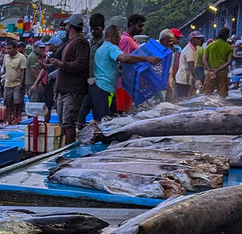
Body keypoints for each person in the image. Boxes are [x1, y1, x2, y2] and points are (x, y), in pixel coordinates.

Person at [90, 26, 160, 122]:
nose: (120, 39)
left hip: (98, 88)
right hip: (105, 89)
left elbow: (107, 68)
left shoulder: (101, 48)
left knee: (103, 119)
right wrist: (147, 59)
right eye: (119, 36)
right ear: (114, 36)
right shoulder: (112, 48)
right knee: (104, 122)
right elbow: (124, 58)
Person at [49, 14, 89, 145]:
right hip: (64, 89)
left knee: (68, 123)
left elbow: (81, 64)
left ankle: (69, 150)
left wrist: (61, 64)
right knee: (63, 122)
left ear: (70, 26)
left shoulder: (80, 42)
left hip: (73, 90)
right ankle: (65, 147)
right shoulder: (71, 42)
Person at [79, 13, 106, 126]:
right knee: (81, 115)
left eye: (97, 29)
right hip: (90, 83)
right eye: (92, 29)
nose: (93, 31)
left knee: (100, 116)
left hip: (101, 85)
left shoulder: (105, 44)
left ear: (103, 28)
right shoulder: (91, 43)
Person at [116, 14, 145, 112]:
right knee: (121, 114)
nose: (142, 29)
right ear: (132, 25)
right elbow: (123, 61)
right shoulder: (126, 41)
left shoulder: (131, 40)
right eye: (140, 26)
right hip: (123, 85)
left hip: (129, 84)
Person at [1, 40, 27, 125]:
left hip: (17, 83)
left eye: (10, 48)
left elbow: (23, 71)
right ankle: (9, 118)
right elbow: (4, 69)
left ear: (16, 48)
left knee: (17, 101)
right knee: (7, 102)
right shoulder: (6, 57)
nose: (8, 50)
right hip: (8, 83)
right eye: (7, 49)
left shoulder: (21, 57)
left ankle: (17, 116)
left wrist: (21, 83)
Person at [202, 28, 234, 98]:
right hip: (222, 73)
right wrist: (218, 69)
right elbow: (228, 62)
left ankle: (206, 108)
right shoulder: (229, 48)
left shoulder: (210, 46)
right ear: (226, 36)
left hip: (210, 73)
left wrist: (210, 70)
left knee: (207, 93)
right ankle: (221, 108)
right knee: (222, 94)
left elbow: (204, 59)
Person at [175, 31, 203, 99]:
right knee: (181, 98)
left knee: (185, 97)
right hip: (183, 78)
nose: (200, 40)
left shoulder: (194, 49)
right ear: (192, 39)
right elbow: (191, 66)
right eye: (198, 38)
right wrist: (196, 79)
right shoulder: (189, 50)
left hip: (186, 78)